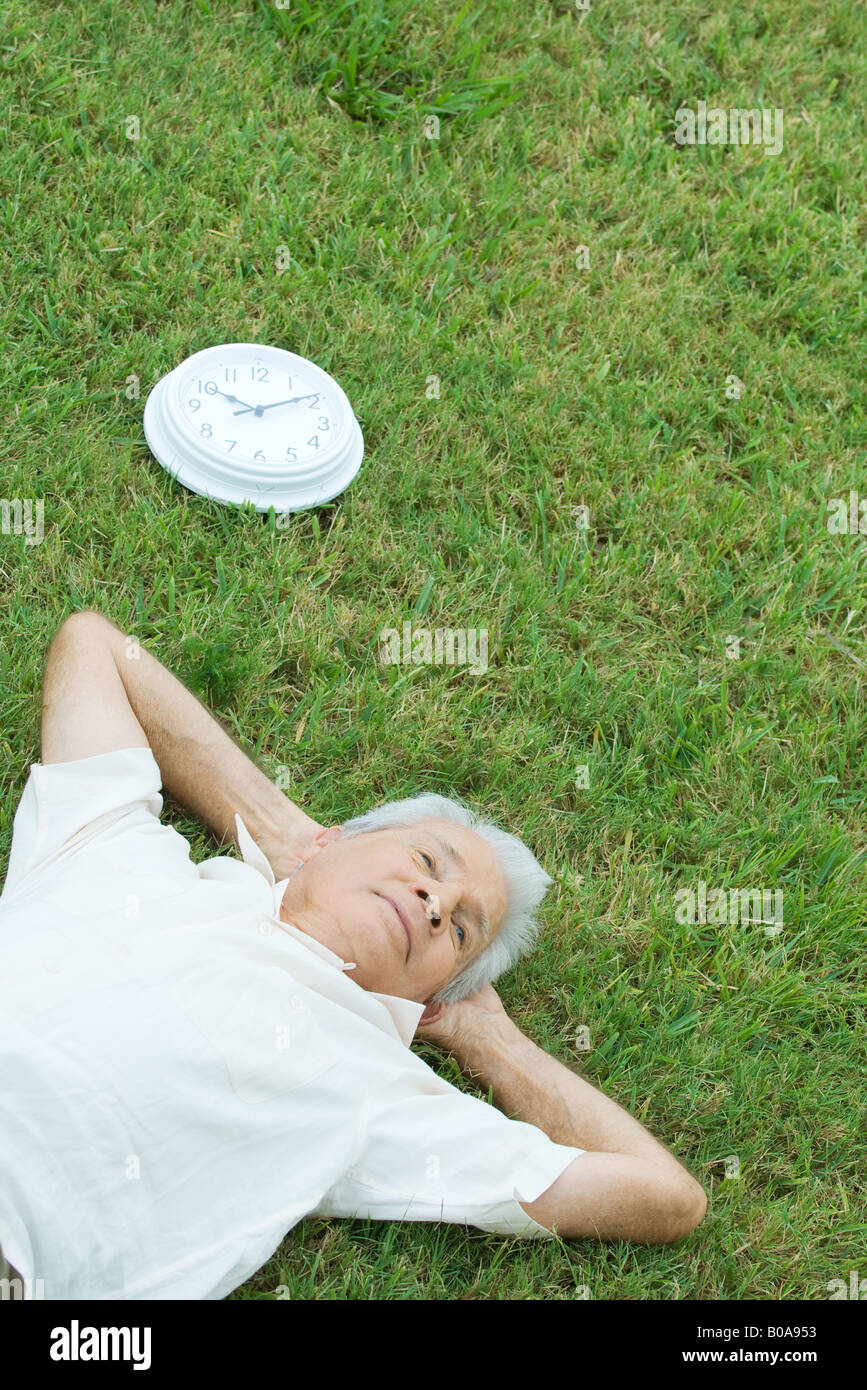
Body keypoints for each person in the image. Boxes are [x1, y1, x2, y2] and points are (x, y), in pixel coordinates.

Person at [0, 610, 706, 1300]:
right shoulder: (114, 854)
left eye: (461, 930)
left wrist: (488, 1039)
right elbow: (94, 645)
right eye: (427, 859)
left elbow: (665, 1198)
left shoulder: (375, 1091)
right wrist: (281, 831)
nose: (436, 902)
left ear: (435, 994)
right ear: (329, 841)